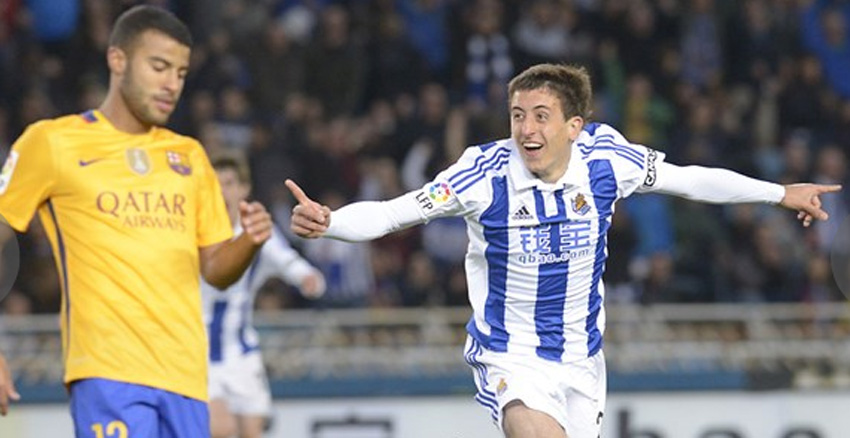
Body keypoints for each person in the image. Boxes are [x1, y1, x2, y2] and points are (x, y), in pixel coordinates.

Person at [286, 63, 841, 438]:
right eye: (517, 115)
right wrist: (332, 221)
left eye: (540, 116)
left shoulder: (606, 160)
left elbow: (690, 180)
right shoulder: (481, 175)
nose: (526, 128)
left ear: (574, 126)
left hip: (581, 357)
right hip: (510, 352)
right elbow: (389, 213)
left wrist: (778, 193)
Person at [0, 6, 272, 437]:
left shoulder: (190, 156)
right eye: (159, 66)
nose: (171, 84)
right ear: (118, 60)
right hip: (109, 371)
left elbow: (216, 269)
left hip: (186, 378)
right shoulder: (52, 142)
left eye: (181, 73)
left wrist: (248, 243)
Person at [204, 153, 325, 438]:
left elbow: (286, 259)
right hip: (198, 353)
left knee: (251, 433)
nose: (223, 191)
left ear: (244, 188)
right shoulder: (194, 231)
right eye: (215, 183)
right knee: (221, 429)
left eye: (230, 183)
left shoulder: (256, 232)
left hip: (242, 353)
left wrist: (307, 277)